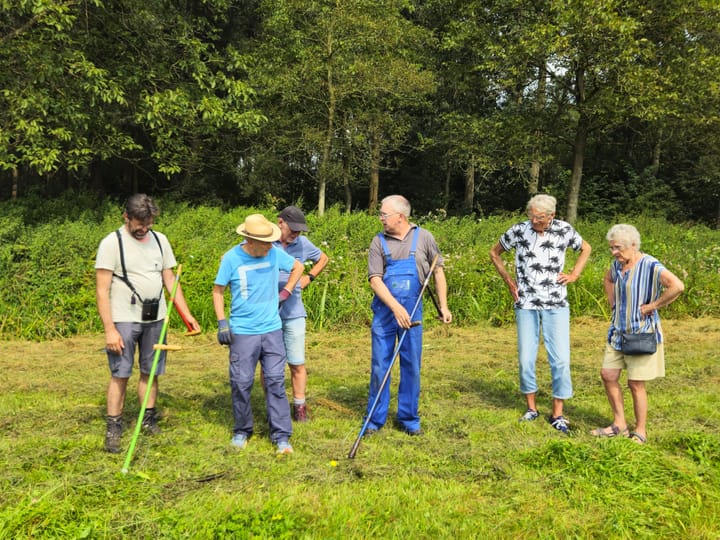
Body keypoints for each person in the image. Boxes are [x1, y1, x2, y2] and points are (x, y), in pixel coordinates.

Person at [95, 193, 200, 454]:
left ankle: (147, 419)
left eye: (149, 223)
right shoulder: (111, 243)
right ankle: (114, 426)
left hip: (156, 318)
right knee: (120, 373)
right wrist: (110, 329)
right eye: (140, 224)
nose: (144, 229)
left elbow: (170, 280)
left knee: (150, 371)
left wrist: (187, 315)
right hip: (124, 319)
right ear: (126, 217)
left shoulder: (160, 240)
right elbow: (101, 289)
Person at [489, 194, 591, 434]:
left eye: (540, 218)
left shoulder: (564, 230)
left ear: (552, 216)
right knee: (526, 359)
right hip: (526, 304)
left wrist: (574, 274)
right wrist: (509, 281)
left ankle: (558, 413)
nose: (535, 220)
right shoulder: (518, 231)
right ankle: (531, 409)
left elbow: (586, 248)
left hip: (556, 303)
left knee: (561, 360)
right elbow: (494, 253)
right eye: (532, 216)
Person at [213, 213, 304, 454]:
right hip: (243, 332)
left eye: (270, 241)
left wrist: (285, 292)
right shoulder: (231, 259)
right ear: (249, 240)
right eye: (265, 242)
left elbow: (298, 267)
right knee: (241, 382)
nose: (269, 246)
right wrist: (222, 322)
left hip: (272, 329)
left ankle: (282, 437)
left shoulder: (274, 253)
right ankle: (242, 431)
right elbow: (218, 291)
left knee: (275, 381)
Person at [364, 195, 452, 436]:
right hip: (385, 313)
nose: (381, 218)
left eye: (384, 214)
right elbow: (375, 280)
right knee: (380, 366)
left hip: (413, 313)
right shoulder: (378, 242)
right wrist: (395, 307)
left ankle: (409, 419)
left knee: (411, 365)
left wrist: (443, 306)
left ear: (400, 216)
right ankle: (374, 420)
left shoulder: (424, 237)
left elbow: (438, 271)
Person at [591, 224, 684, 444]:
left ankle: (640, 431)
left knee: (635, 383)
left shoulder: (650, 265)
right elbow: (608, 280)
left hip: (641, 333)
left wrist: (653, 306)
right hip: (617, 332)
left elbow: (677, 286)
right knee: (608, 375)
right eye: (612, 248)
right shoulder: (617, 265)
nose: (614, 252)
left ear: (633, 245)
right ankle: (619, 424)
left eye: (618, 248)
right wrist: (612, 302)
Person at [275, 206, 329, 422]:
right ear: (280, 222)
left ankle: (299, 407)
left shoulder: (303, 244)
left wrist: (310, 277)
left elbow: (323, 258)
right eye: (293, 228)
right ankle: (274, 404)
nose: (296, 233)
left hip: (294, 311)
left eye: (300, 229)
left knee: (296, 361)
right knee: (271, 364)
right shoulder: (264, 240)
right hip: (267, 312)